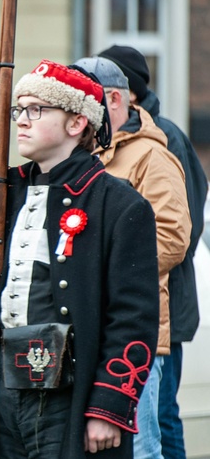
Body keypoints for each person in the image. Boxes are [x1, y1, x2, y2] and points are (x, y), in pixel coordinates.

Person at [0, 59, 160, 458]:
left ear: (77, 123)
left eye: (37, 109)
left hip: (70, 395)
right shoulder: (7, 194)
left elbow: (134, 316)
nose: (22, 120)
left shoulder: (121, 204)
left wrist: (107, 408)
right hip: (0, 389)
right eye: (19, 109)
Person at [75, 56, 190, 459]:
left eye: (83, 99)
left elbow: (172, 238)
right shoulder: (89, 153)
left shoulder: (150, 157)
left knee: (140, 450)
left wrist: (99, 271)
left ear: (112, 99)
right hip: (92, 330)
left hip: (135, 336)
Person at [99, 45, 207, 459]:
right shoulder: (114, 139)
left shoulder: (162, 139)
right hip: (145, 299)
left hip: (164, 303)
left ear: (127, 95)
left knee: (159, 419)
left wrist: (124, 272)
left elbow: (182, 228)